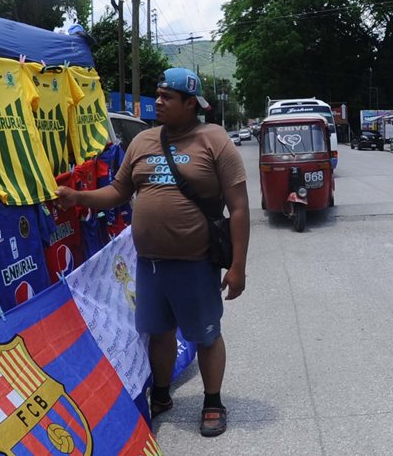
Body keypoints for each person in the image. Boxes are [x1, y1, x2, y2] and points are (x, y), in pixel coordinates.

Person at [55, 67, 250, 438]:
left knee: (206, 335)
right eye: (157, 94)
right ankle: (160, 394)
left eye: (167, 97)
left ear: (190, 104)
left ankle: (213, 401)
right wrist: (78, 197)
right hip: (149, 265)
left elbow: (238, 208)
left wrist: (237, 267)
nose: (157, 102)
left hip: (195, 264)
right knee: (158, 333)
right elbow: (117, 192)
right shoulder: (143, 141)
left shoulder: (214, 141)